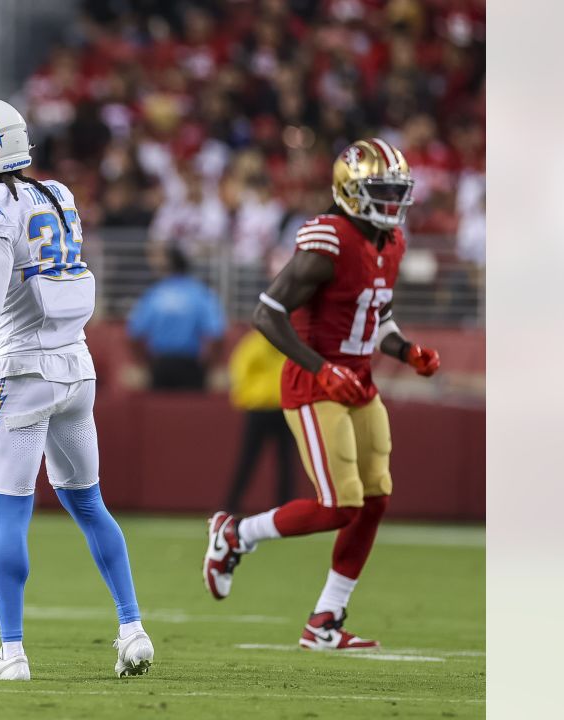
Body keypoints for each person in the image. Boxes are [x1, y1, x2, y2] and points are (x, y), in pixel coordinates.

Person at [0, 98, 153, 680]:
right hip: (77, 367)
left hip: (22, 375)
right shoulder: (55, 194)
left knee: (10, 515)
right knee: (89, 502)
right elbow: (33, 280)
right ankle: (132, 628)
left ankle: (13, 652)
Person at [201, 138, 442, 650]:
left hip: (358, 381)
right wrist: (322, 367)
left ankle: (325, 619)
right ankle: (234, 535)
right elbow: (267, 313)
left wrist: (406, 351)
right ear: (349, 191)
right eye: (381, 190)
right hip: (314, 384)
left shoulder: (391, 242)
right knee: (339, 504)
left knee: (375, 499)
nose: (393, 202)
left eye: (398, 191)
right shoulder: (328, 239)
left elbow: (378, 318)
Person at [126, 246, 226, 391]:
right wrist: (210, 367)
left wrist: (144, 365)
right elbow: (216, 333)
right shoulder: (200, 293)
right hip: (190, 366)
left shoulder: (155, 293)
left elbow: (134, 333)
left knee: (158, 411)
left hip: (160, 366)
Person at [222, 330, 294, 514]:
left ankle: (286, 507)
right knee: (248, 459)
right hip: (259, 408)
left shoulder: (289, 342)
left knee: (286, 461)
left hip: (283, 408)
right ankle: (231, 505)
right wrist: (245, 397)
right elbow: (239, 370)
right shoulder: (255, 344)